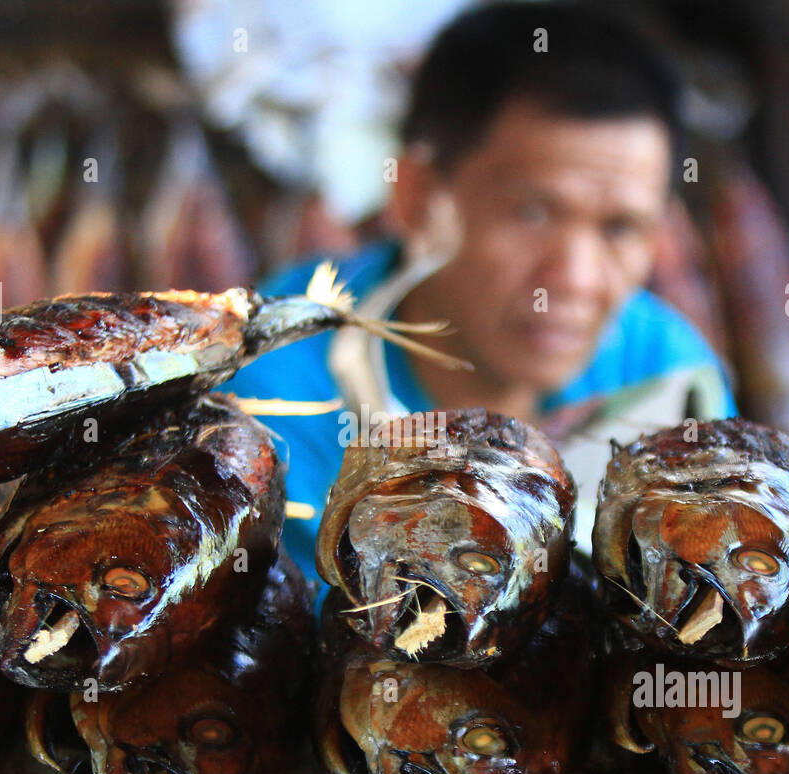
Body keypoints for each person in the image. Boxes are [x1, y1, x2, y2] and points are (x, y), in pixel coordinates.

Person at [220, 1, 736, 585]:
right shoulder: (269, 394)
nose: (577, 278)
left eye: (620, 228)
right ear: (416, 198)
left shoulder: (668, 378)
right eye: (533, 213)